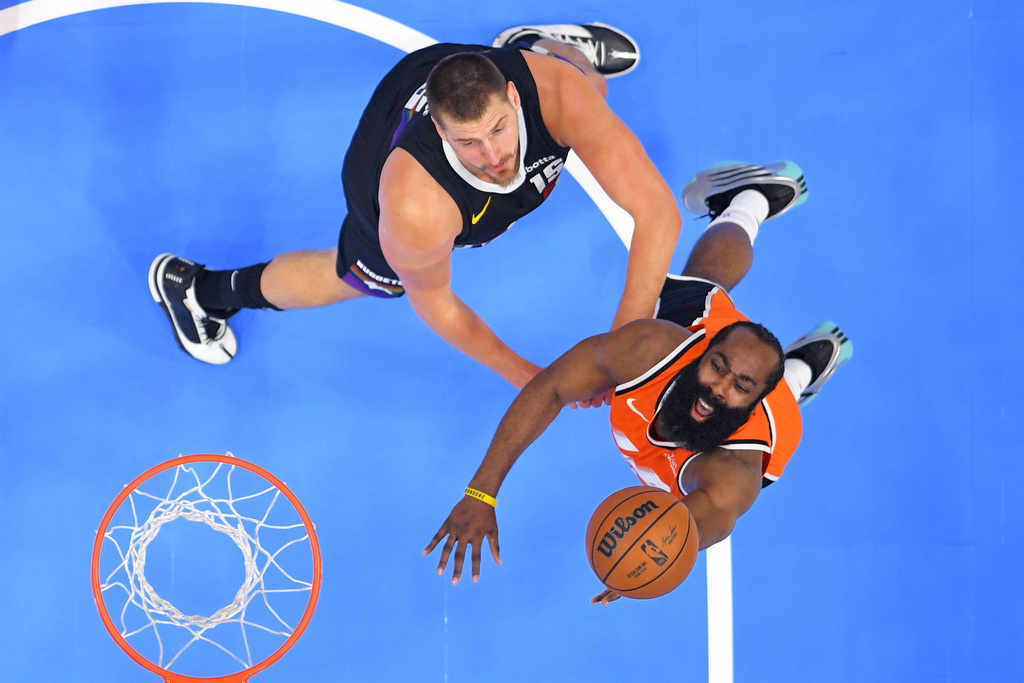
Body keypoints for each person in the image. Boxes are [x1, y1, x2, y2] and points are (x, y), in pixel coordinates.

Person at [148, 23, 680, 390]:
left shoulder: (559, 94)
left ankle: (531, 45)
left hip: (470, 73)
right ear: (442, 133)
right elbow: (438, 305)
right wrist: (530, 376)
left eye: (498, 129)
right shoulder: (415, 210)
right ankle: (198, 290)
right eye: (469, 142)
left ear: (514, 98)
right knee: (358, 278)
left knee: (591, 85)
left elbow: (659, 213)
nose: (493, 155)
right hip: (388, 144)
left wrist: (619, 349)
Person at [424, 161, 854, 603]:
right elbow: (550, 387)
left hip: (771, 421)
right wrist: (482, 492)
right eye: (717, 367)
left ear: (752, 403)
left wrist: (641, 570)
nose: (718, 386)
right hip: (700, 339)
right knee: (705, 283)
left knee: (786, 394)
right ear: (701, 349)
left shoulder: (730, 476)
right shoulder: (651, 348)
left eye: (740, 387)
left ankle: (800, 370)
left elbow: (681, 535)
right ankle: (751, 199)